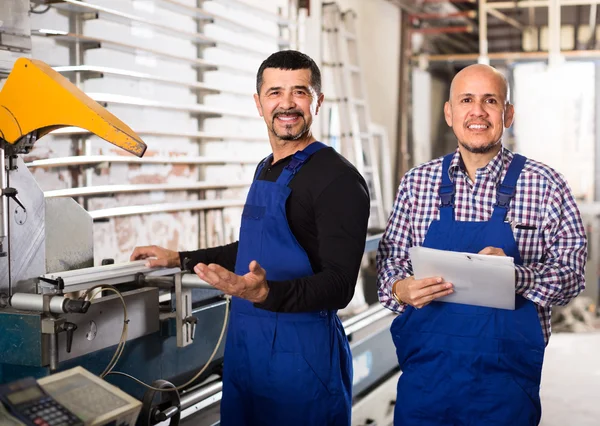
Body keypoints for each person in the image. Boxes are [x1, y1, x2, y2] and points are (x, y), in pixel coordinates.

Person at [131, 50, 370, 426]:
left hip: (303, 361)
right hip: (248, 355)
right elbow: (256, 249)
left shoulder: (338, 179)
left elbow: (340, 285)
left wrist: (264, 293)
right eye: (275, 92)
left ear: (318, 101)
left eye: (300, 92)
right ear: (259, 104)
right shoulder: (268, 167)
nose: (287, 104)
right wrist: (180, 258)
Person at [377, 64, 587, 425]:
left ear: (507, 114)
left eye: (490, 101)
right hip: (426, 387)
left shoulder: (546, 185)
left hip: (504, 391)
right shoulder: (416, 183)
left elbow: (572, 277)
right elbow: (389, 264)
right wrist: (401, 287)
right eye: (466, 100)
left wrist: (512, 276)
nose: (477, 111)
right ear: (450, 113)